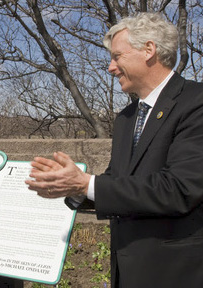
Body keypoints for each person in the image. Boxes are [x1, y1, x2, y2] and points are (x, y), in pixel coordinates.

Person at [26, 12, 203, 288]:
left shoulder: (196, 102)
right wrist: (75, 188)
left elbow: (179, 188)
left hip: (176, 273)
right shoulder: (127, 118)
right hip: (127, 272)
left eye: (117, 56)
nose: (111, 67)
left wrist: (87, 183)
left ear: (149, 50)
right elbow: (118, 181)